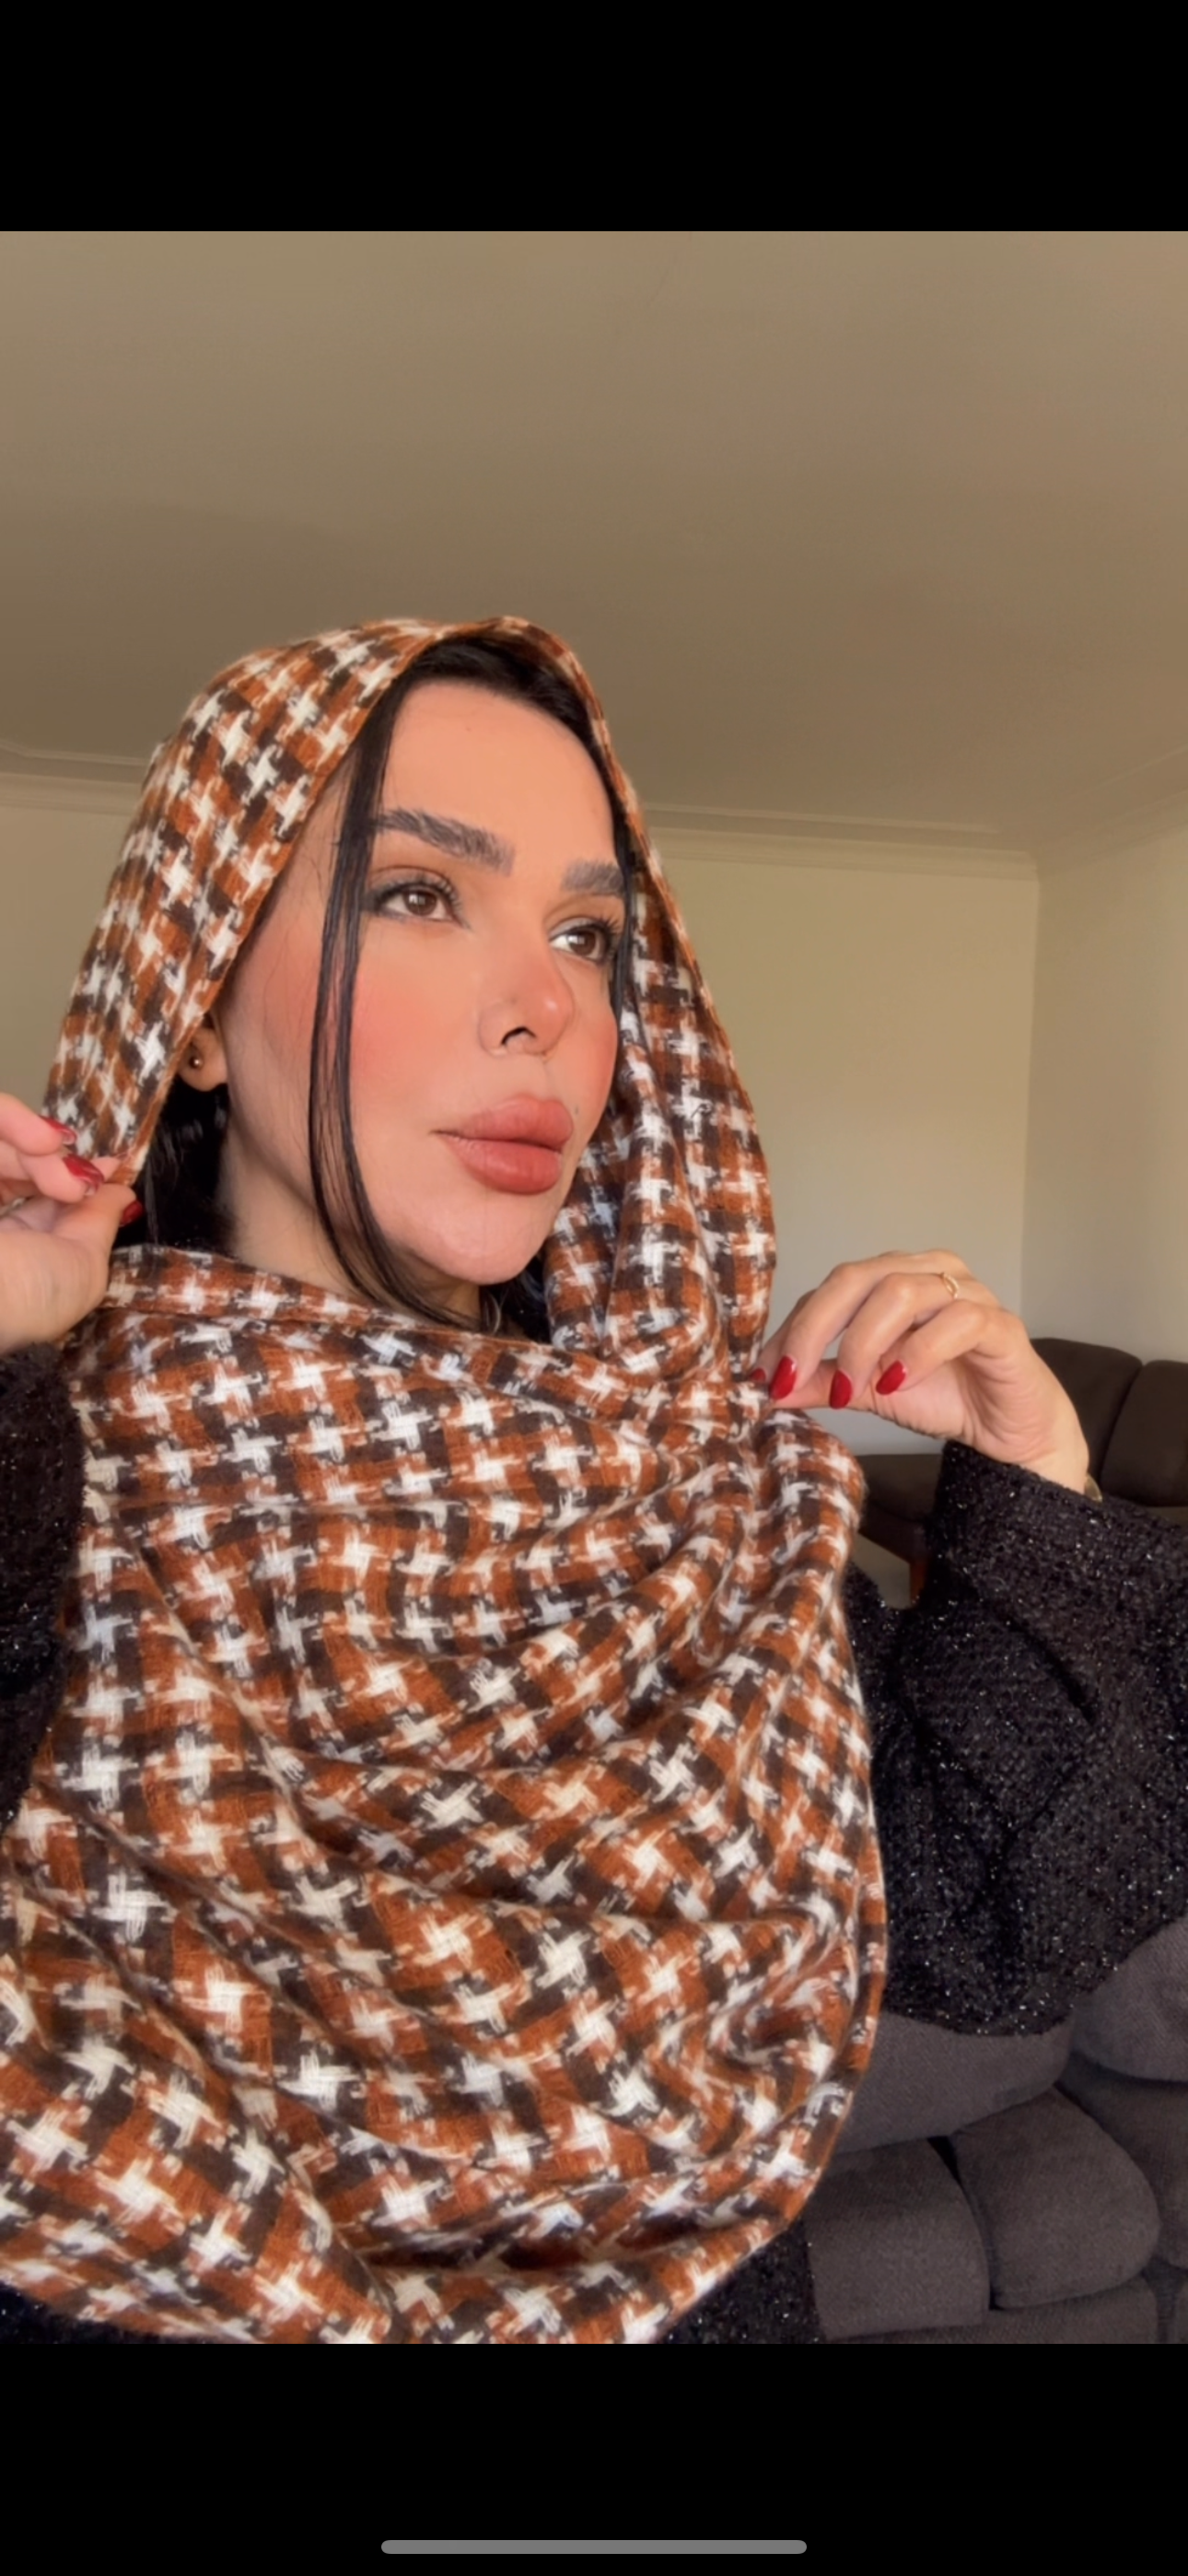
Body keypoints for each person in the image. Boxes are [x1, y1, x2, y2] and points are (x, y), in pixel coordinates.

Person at [0, 618, 1184, 2347]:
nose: (549, 1006)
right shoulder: (54, 1467)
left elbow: (996, 1926)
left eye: (587, 935)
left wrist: (1038, 1478)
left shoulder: (682, 1487)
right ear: (194, 1002)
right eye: (417, 893)